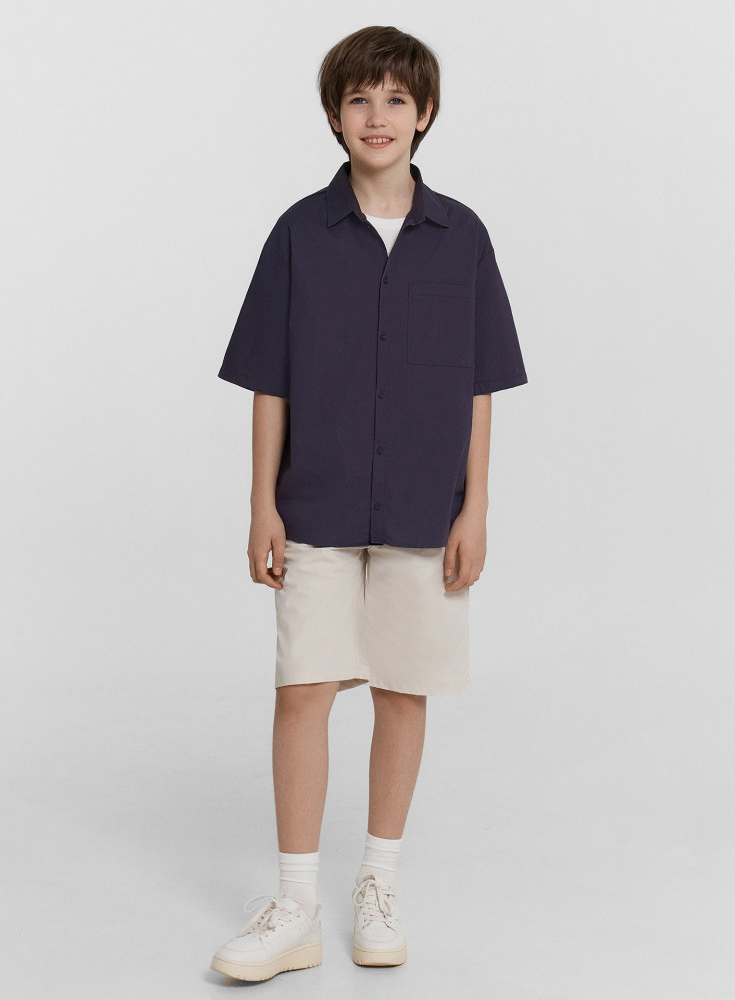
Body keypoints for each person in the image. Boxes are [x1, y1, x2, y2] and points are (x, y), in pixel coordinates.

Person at [210, 24, 528, 983]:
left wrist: (476, 509)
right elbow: (270, 380)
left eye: (395, 99)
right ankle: (297, 905)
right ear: (334, 116)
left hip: (428, 510)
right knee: (303, 687)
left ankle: (379, 882)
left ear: (424, 114)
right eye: (358, 99)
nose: (376, 116)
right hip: (315, 502)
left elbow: (480, 384)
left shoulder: (463, 237)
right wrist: (261, 503)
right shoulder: (299, 234)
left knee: (401, 687)